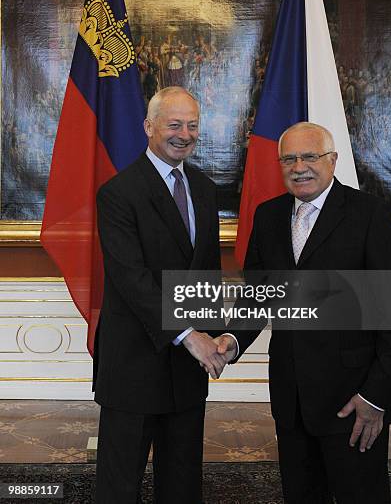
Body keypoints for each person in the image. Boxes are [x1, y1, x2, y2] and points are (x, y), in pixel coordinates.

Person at [216, 121, 391, 503]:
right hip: (292, 400)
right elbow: (259, 295)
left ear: (333, 160)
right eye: (288, 158)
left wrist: (376, 397)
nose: (298, 166)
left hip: (354, 402)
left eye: (309, 156)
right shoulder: (268, 216)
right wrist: (232, 338)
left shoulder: (370, 214)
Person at [93, 86, 226, 504]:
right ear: (149, 127)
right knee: (120, 485)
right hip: (134, 364)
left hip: (187, 370)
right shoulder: (118, 193)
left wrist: (217, 336)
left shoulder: (204, 189)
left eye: (192, 125)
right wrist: (192, 336)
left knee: (183, 484)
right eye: (174, 124)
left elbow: (205, 272)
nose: (184, 134)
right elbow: (131, 279)